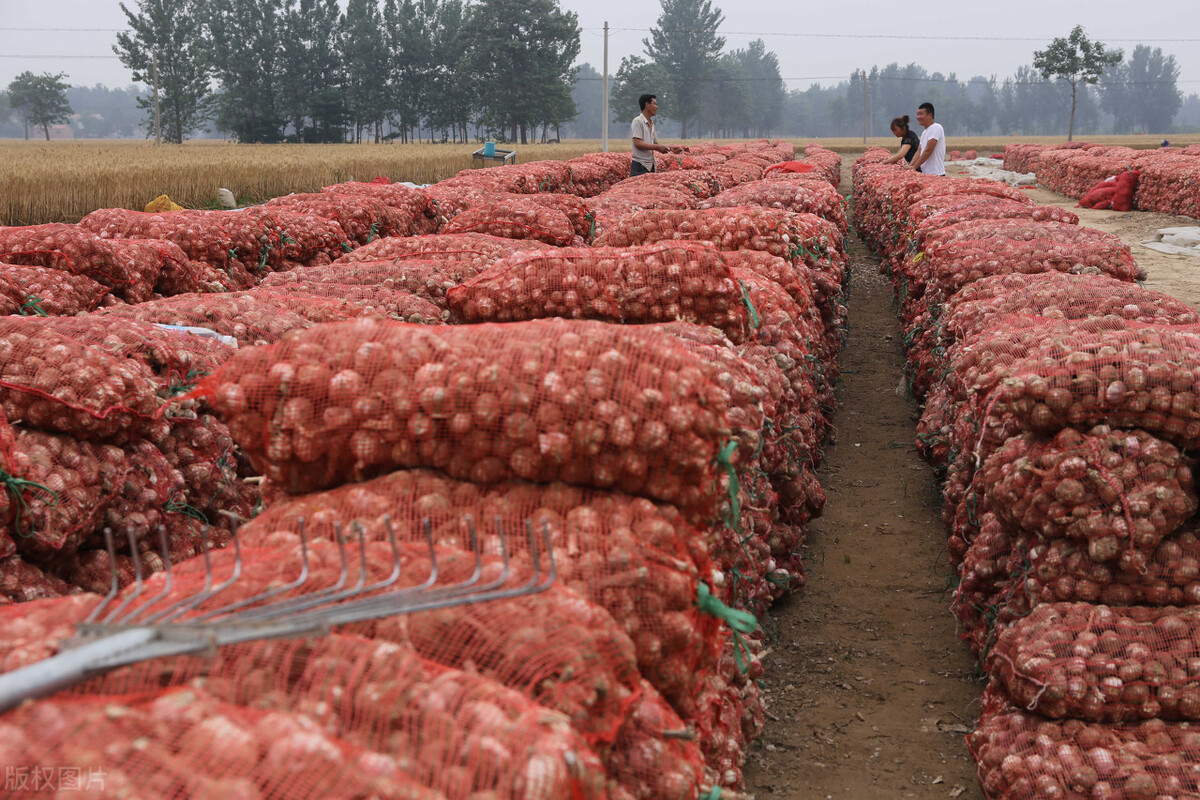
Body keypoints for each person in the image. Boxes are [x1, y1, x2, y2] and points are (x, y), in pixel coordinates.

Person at [630, 94, 686, 177]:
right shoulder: (638, 121)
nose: (657, 107)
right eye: (654, 104)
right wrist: (658, 147)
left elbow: (655, 144)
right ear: (647, 104)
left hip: (650, 165)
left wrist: (670, 149)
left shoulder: (651, 123)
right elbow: (637, 143)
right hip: (640, 165)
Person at [908, 102, 946, 176]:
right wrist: (910, 166)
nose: (918, 117)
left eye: (921, 114)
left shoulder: (936, 127)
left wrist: (914, 167)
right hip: (926, 174)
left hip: (937, 174)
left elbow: (928, 150)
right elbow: (919, 151)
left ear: (930, 115)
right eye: (917, 114)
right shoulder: (925, 132)